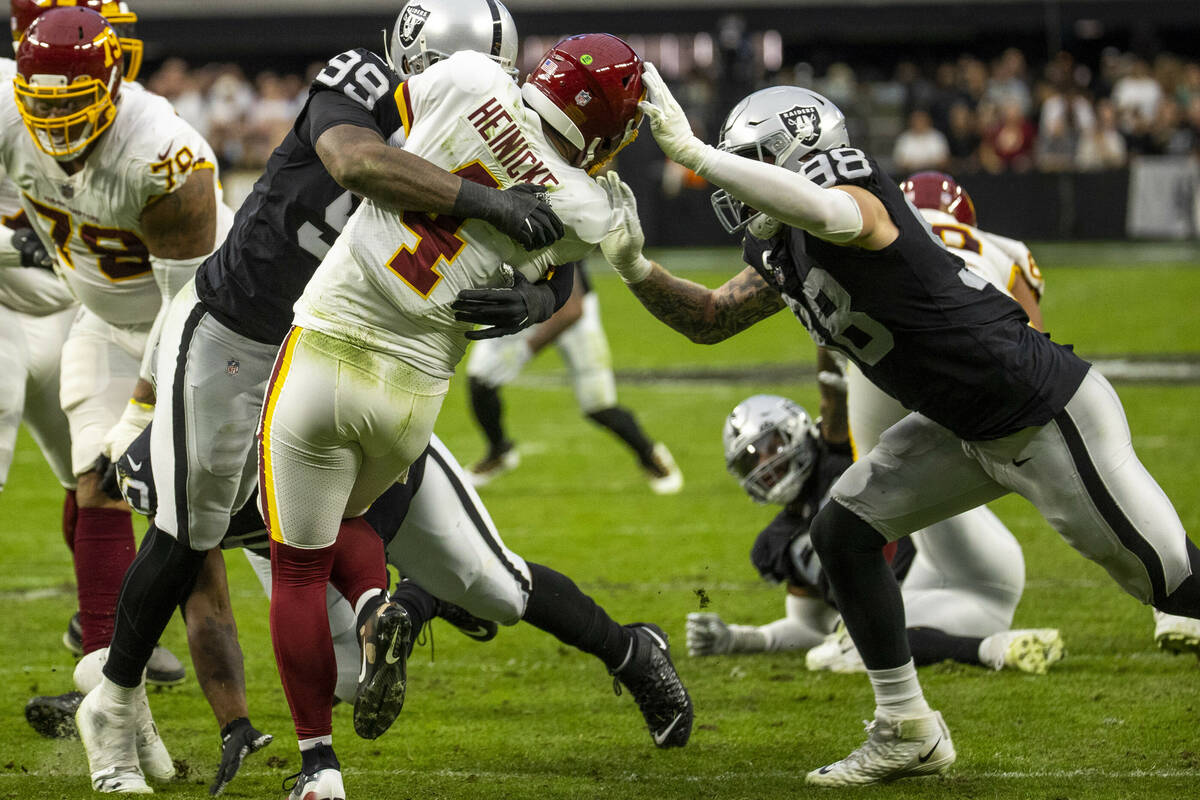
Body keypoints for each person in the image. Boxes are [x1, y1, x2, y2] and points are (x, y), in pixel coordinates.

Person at [597, 76, 1200, 785]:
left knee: (1177, 588)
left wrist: (696, 153)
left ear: (800, 153)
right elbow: (708, 319)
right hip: (961, 425)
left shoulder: (849, 187)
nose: (737, 184)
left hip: (1040, 410)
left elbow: (831, 212)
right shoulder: (782, 246)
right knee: (844, 532)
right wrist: (634, 267)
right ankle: (908, 728)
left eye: (756, 159)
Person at [72, 0, 567, 794]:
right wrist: (482, 202)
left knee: (353, 515)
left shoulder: (493, 131)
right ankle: (117, 701)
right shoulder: (361, 83)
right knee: (189, 529)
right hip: (241, 329)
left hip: (344, 346)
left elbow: (558, 243)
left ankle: (382, 621)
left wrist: (538, 301)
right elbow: (355, 162)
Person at [259, 31, 676, 799]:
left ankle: (319, 767)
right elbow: (569, 255)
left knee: (297, 564)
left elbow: (374, 147)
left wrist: (534, 288)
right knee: (359, 522)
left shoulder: (463, 75)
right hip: (413, 393)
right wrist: (539, 287)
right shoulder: (590, 206)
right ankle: (383, 604)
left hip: (328, 342)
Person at [1, 4, 232, 773]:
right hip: (94, 320)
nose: (58, 129)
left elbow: (184, 309)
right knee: (96, 479)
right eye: (45, 109)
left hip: (200, 328)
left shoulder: (167, 157)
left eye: (75, 107)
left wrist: (141, 407)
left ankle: (366, 612)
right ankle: (110, 687)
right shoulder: (9, 104)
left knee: (248, 525)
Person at [689, 391, 1063, 675]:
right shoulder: (778, 542)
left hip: (960, 558)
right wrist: (740, 638)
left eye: (769, 448)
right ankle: (999, 648)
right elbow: (807, 625)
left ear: (796, 431)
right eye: (751, 460)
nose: (765, 465)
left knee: (917, 478)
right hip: (944, 608)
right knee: (850, 641)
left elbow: (837, 397)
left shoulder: (841, 451)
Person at [465, 260, 683, 493]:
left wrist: (527, 349)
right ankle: (499, 451)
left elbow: (572, 309)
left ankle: (650, 456)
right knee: (480, 381)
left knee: (598, 405)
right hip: (522, 301)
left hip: (567, 307)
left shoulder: (550, 230)